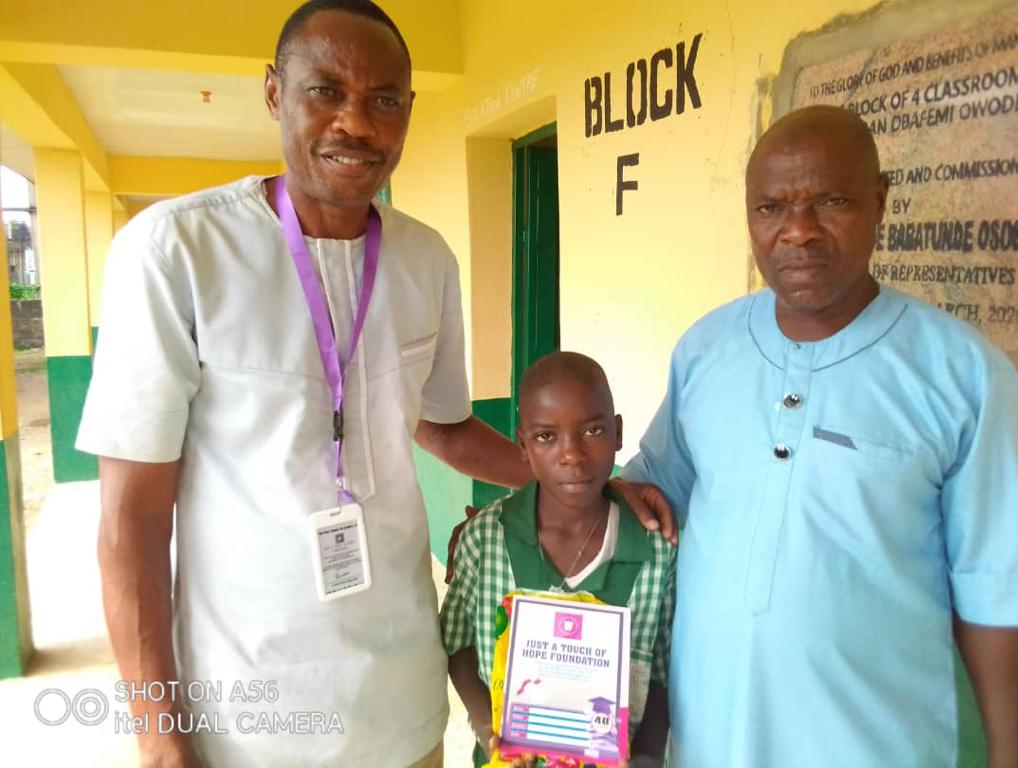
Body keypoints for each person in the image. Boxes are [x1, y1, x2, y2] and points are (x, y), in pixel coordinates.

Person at [76, 2, 672, 766]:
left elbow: (444, 425)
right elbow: (130, 518)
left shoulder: (426, 260)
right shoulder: (176, 251)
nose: (356, 124)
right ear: (273, 94)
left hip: (400, 700)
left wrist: (588, 480)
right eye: (325, 90)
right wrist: (159, 736)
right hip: (248, 711)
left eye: (384, 99)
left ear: (409, 111)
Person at [623, 104, 1018, 767]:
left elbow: (999, 594)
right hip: (711, 741)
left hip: (883, 745)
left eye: (830, 201)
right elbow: (652, 491)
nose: (797, 232)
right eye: (770, 208)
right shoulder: (706, 350)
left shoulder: (964, 374)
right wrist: (528, 518)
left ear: (879, 201)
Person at [442, 352, 675, 768]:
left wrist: (646, 758)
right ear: (523, 444)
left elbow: (662, 671)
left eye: (593, 430)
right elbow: (458, 645)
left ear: (618, 432)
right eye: (547, 437)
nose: (573, 455)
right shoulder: (486, 539)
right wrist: (488, 732)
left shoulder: (657, 551)